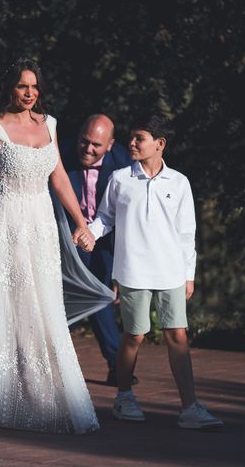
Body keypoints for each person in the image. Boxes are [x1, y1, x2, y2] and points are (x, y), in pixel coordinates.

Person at [0, 58, 100, 434]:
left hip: (42, 226)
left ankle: (46, 398)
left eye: (34, 86)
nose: (29, 93)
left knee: (43, 307)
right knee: (6, 307)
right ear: (9, 88)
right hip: (6, 224)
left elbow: (59, 176)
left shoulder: (50, 125)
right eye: (21, 86)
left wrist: (81, 224)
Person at [89, 115, 224, 429]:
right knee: (134, 335)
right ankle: (124, 398)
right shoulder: (120, 178)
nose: (132, 143)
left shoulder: (179, 182)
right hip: (133, 271)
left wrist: (188, 274)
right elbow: (104, 219)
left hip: (171, 272)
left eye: (139, 138)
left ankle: (190, 408)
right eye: (132, 137)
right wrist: (89, 234)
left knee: (177, 335)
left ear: (159, 144)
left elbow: (186, 233)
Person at [60, 114, 137, 387]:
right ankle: (117, 365)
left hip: (107, 239)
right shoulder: (60, 154)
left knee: (100, 296)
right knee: (85, 296)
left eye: (96, 144)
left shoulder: (125, 166)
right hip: (67, 237)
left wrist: (121, 267)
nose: (88, 149)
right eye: (85, 141)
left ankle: (47, 351)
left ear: (110, 144)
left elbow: (129, 220)